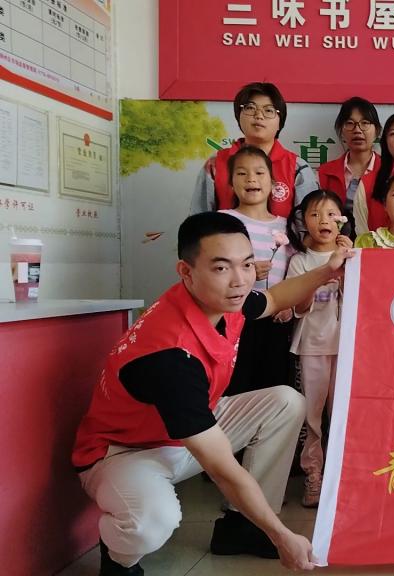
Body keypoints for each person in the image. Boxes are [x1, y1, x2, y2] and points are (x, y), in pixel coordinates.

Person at [73, 212, 355, 575]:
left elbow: (273, 298)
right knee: (152, 521)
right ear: (186, 272)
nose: (240, 280)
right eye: (221, 268)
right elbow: (222, 467)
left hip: (184, 433)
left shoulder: (221, 301)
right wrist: (282, 535)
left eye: (247, 264)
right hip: (125, 452)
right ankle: (118, 557)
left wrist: (327, 271)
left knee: (285, 402)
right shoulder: (170, 356)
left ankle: (243, 528)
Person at [283, 190, 348, 507]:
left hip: (346, 348)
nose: (324, 220)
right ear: (304, 221)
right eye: (315, 214)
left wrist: (345, 270)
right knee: (312, 417)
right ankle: (313, 475)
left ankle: (341, 478)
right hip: (311, 346)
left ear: (342, 220)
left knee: (343, 415)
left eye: (332, 214)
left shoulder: (352, 256)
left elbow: (363, 299)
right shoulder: (299, 261)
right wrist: (321, 277)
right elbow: (298, 306)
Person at [218, 146, 294, 396]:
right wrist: (248, 272)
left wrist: (289, 305)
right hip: (233, 318)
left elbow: (294, 272)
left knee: (273, 386)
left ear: (273, 183)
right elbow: (212, 269)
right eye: (242, 173)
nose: (251, 179)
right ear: (231, 183)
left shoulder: (286, 227)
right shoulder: (222, 221)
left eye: (259, 173)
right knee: (234, 385)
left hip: (275, 321)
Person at [192, 82, 317, 216]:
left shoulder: (298, 168)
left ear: (280, 123)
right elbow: (198, 220)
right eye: (250, 108)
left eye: (268, 110)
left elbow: (309, 223)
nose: (259, 115)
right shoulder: (215, 164)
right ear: (238, 116)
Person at [317, 97, 383, 238]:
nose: (357, 130)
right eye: (350, 123)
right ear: (341, 131)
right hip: (334, 246)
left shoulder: (390, 172)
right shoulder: (325, 173)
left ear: (377, 131)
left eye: (365, 123)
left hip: (377, 247)